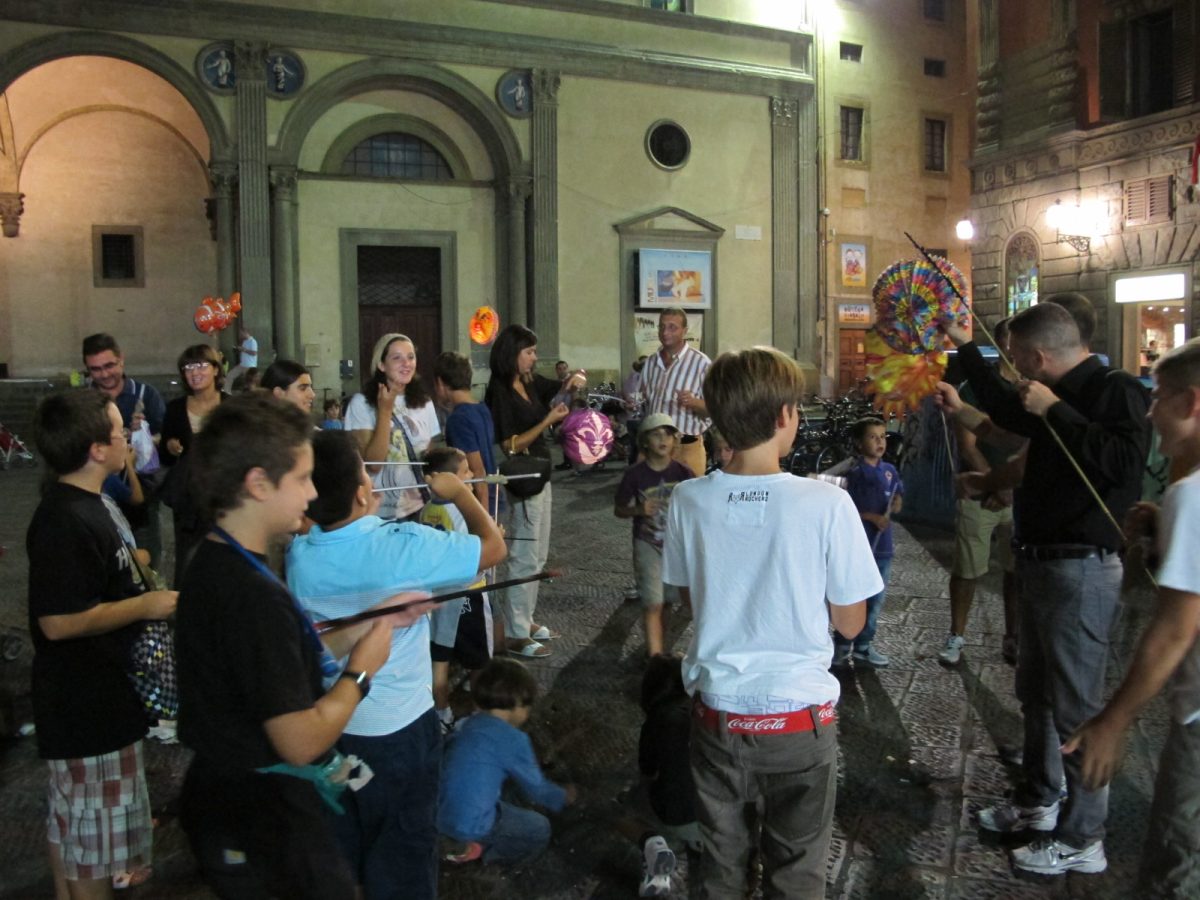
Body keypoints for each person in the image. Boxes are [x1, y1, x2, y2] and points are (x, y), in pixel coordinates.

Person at [175, 395, 434, 900]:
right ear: (258, 484)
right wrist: (361, 672)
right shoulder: (252, 595)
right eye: (302, 479)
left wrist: (369, 623)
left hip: (229, 799)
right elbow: (301, 740)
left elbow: (276, 656)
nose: (313, 493)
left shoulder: (214, 558)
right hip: (262, 814)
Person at [941, 302, 1151, 876]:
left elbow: (1123, 465)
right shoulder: (1040, 393)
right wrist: (965, 345)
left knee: (1078, 706)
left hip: (1081, 567)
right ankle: (1039, 800)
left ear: (1038, 356)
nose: (1015, 370)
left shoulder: (1116, 389)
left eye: (1015, 359)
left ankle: (1085, 834)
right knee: (1036, 693)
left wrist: (1057, 410)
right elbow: (1007, 405)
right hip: (1039, 562)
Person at [662, 347, 880, 898]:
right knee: (798, 870)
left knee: (720, 865)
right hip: (798, 724)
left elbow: (693, 600)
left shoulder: (687, 500)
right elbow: (851, 625)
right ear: (785, 416)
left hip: (719, 717)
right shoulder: (827, 504)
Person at [288, 431, 503, 899]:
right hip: (399, 732)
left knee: (346, 842)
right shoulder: (404, 545)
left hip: (334, 727)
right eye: (366, 471)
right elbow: (492, 549)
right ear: (363, 491)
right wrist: (462, 492)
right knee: (403, 852)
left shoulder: (298, 556)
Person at [1062, 338, 1200, 895]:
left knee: (1177, 863)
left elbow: (1175, 628)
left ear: (1192, 403)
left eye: (1159, 397)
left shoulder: (1191, 494)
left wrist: (1113, 722)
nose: (1149, 412)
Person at [27, 390, 178, 900]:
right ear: (96, 449)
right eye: (119, 435)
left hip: (103, 699)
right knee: (92, 847)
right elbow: (58, 621)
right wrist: (145, 606)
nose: (128, 443)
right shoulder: (63, 518)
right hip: (83, 704)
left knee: (74, 829)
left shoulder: (93, 504)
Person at [485, 324, 585, 658]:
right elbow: (510, 445)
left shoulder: (529, 382)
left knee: (538, 553)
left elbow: (561, 388)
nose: (534, 357)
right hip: (522, 475)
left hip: (541, 471)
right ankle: (514, 632)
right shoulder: (499, 390)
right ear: (512, 353)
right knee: (524, 554)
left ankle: (524, 619)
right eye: (529, 352)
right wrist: (546, 421)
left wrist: (576, 380)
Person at [938, 316, 1022, 666]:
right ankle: (957, 634)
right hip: (982, 490)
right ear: (1003, 343)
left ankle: (1014, 636)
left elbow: (1027, 443)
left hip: (1016, 493)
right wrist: (995, 483)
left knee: (1016, 569)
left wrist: (1009, 485)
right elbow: (969, 442)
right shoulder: (977, 388)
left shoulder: (1032, 389)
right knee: (967, 567)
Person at [438, 658, 575, 866]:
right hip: (471, 824)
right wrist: (564, 796)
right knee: (541, 829)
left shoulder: (468, 723)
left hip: (439, 810)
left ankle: (456, 840)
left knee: (508, 787)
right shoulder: (514, 740)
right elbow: (538, 789)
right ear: (517, 706)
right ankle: (484, 853)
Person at [418, 446, 497, 732]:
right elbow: (480, 555)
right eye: (465, 472)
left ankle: (442, 715)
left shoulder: (427, 510)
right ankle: (481, 714)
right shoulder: (464, 512)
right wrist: (495, 536)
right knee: (480, 662)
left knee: (439, 661)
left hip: (437, 596)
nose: (472, 475)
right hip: (469, 595)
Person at [613, 653, 700, 897]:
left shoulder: (658, 718)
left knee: (617, 807)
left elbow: (647, 772)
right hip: (720, 815)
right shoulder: (706, 711)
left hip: (679, 815)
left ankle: (653, 844)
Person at [82, 333, 167, 567]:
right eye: (96, 369)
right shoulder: (83, 401)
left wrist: (145, 437)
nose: (104, 374)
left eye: (109, 365)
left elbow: (165, 436)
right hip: (97, 494)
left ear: (122, 360)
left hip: (141, 491)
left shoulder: (146, 395)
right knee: (103, 559)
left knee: (147, 557)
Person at [614, 413, 694, 657]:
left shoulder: (683, 473)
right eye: (656, 434)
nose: (663, 439)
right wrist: (638, 509)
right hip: (647, 544)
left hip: (674, 546)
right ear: (645, 441)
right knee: (653, 602)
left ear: (674, 441)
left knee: (668, 601)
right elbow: (619, 509)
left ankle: (661, 646)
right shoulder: (635, 474)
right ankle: (654, 659)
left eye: (668, 434)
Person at [831, 416, 903, 669]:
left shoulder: (890, 470)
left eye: (882, 436)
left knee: (875, 599)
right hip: (859, 548)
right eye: (873, 437)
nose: (880, 441)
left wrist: (895, 503)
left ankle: (863, 646)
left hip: (883, 548)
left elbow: (898, 496)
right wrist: (871, 516)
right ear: (859, 443)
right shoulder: (854, 473)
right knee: (851, 597)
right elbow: (844, 507)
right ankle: (841, 646)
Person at [344, 333, 440, 522]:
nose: (406, 363)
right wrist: (385, 412)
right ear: (381, 365)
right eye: (397, 358)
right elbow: (373, 464)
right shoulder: (361, 404)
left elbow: (428, 455)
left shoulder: (424, 402)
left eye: (410, 357)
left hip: (419, 505)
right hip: (379, 509)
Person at [161, 343, 226, 586]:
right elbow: (165, 458)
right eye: (188, 367)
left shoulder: (229, 405)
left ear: (215, 370)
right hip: (188, 499)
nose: (194, 372)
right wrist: (169, 447)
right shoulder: (176, 409)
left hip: (223, 496)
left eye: (201, 365)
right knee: (187, 560)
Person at [640, 308, 711, 478]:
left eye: (672, 327)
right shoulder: (650, 363)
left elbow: (715, 409)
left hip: (687, 449)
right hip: (654, 449)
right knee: (655, 501)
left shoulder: (702, 364)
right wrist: (633, 403)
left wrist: (694, 402)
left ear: (685, 331)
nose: (665, 332)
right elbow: (644, 403)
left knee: (689, 502)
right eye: (662, 327)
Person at [433, 351, 497, 513]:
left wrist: (484, 518)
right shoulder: (481, 408)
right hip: (492, 494)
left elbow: (477, 470)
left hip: (476, 502)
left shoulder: (458, 419)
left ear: (440, 383)